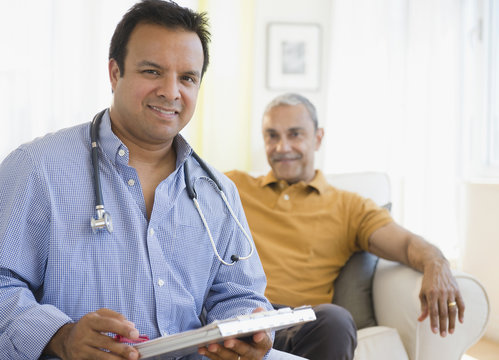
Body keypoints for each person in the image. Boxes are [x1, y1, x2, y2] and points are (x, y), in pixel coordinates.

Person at [0, 1, 274, 359]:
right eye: (152, 72)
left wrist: (247, 336)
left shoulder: (218, 191)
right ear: (115, 73)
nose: (171, 92)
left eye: (187, 78)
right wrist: (61, 336)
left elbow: (241, 296)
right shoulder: (37, 168)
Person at [226, 93, 465, 360]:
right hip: (238, 317)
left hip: (297, 324)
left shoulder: (349, 206)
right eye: (272, 136)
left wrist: (437, 263)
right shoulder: (232, 187)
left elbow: (406, 244)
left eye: (295, 134)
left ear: (318, 138)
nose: (282, 147)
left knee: (335, 319)